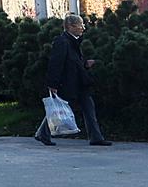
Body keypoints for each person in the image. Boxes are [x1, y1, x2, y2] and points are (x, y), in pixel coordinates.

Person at [34, 13, 111, 147]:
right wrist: (53, 84)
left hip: (79, 82)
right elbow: (56, 63)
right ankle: (42, 133)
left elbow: (73, 61)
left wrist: (85, 64)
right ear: (70, 26)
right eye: (80, 25)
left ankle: (96, 137)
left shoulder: (73, 41)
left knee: (88, 107)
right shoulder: (62, 41)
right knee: (60, 107)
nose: (83, 28)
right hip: (68, 83)